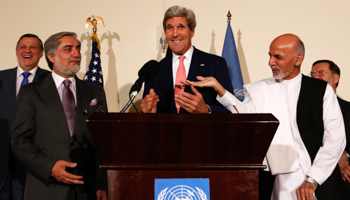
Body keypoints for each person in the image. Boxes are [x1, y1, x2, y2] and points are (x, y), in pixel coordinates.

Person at [182, 34, 346, 200]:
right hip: (278, 181)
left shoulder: (320, 90)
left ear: (298, 59)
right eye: (270, 56)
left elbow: (336, 138)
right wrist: (220, 89)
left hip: (320, 178)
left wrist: (313, 178)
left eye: (278, 57)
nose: (270, 62)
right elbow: (245, 118)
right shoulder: (260, 89)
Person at [11, 32, 107, 200]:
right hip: (45, 188)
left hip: (86, 190)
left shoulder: (94, 92)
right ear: (51, 57)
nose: (76, 54)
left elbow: (102, 141)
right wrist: (50, 167)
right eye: (68, 49)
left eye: (78, 48)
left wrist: (102, 184)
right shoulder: (31, 92)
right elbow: (20, 141)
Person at [141, 5, 233, 113]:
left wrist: (207, 110)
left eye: (181, 27)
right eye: (170, 28)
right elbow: (149, 117)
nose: (175, 34)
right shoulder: (154, 71)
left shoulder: (215, 65)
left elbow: (231, 111)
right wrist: (147, 113)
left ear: (192, 31)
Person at [0, 33, 50, 200]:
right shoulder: (0, 78)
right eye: (23, 47)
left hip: (35, 161)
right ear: (16, 52)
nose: (27, 51)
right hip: (3, 163)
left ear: (41, 53)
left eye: (32, 47)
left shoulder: (51, 81)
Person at [310, 60, 350, 195]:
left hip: (342, 182)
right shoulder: (304, 111)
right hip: (310, 177)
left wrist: (345, 157)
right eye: (312, 74)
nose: (315, 77)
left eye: (321, 73)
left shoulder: (348, 109)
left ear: (335, 78)